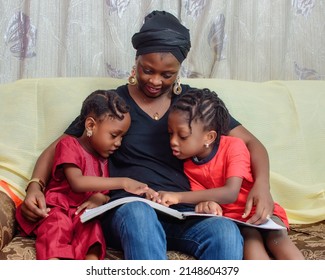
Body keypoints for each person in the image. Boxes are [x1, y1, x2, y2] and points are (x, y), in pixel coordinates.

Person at [21, 10, 274, 259]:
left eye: (167, 75)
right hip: (127, 210)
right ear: (136, 61)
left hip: (181, 210)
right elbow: (59, 147)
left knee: (225, 231)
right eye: (147, 70)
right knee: (139, 214)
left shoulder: (193, 106)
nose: (155, 81)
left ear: (179, 70)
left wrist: (262, 185)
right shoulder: (113, 105)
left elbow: (252, 143)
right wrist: (35, 186)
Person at [152, 88, 304, 260]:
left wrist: (178, 197)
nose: (173, 142)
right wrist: (207, 204)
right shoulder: (188, 165)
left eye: (183, 136)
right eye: (171, 133)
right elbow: (203, 196)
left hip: (260, 211)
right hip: (237, 221)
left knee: (277, 238)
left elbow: (231, 193)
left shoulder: (234, 147)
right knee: (251, 242)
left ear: (209, 137)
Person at [16, 90, 156, 260]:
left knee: (93, 231)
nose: (118, 143)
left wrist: (100, 199)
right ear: (90, 126)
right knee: (57, 225)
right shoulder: (69, 145)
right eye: (114, 135)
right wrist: (124, 182)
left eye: (122, 137)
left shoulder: (104, 159)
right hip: (58, 208)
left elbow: (104, 194)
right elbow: (77, 182)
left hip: (82, 213)